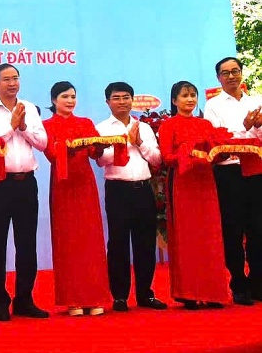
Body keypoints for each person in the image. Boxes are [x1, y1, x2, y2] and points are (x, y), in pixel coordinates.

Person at [0, 64, 48, 322]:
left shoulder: (29, 108)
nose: (12, 83)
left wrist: (24, 126)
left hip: (26, 183)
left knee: (26, 243)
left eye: (15, 78)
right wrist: (11, 126)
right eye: (6, 79)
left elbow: (43, 143)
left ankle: (24, 299)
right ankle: (0, 302)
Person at [158, 81, 231, 309]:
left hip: (206, 183)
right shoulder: (168, 125)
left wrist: (222, 150)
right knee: (187, 236)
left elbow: (215, 156)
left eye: (193, 95)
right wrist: (189, 151)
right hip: (182, 183)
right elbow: (167, 158)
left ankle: (213, 293)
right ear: (174, 101)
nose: (190, 99)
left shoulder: (205, 124)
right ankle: (189, 292)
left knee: (209, 235)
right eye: (184, 95)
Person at [95, 82, 167, 312]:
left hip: (143, 189)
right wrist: (123, 143)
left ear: (132, 100)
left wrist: (139, 142)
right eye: (116, 98)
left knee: (145, 243)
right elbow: (100, 160)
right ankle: (120, 296)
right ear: (108, 102)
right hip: (118, 190)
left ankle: (145, 294)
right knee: (118, 244)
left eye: (126, 97)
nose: (122, 102)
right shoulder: (101, 128)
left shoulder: (143, 127)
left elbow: (157, 159)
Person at [42, 81, 111, 316]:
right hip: (62, 187)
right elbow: (52, 154)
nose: (70, 101)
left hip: (85, 185)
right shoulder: (46, 126)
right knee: (68, 241)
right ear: (54, 100)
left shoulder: (86, 123)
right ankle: (73, 300)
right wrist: (69, 148)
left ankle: (95, 296)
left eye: (73, 96)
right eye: (65, 96)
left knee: (90, 240)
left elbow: (94, 153)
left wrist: (99, 146)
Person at [203, 56, 262, 305]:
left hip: (256, 169)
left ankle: (258, 281)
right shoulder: (213, 105)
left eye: (235, 71)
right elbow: (217, 139)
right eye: (225, 73)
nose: (231, 76)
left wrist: (257, 126)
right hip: (229, 171)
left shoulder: (257, 101)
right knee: (233, 228)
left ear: (241, 73)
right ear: (218, 78)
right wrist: (246, 126)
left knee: (258, 228)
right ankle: (238, 282)